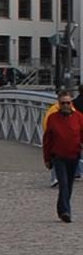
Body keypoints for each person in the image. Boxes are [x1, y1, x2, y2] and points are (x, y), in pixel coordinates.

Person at [42, 88, 83, 223]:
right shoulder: (53, 118)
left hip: (74, 155)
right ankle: (66, 211)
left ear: (71, 103)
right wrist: (47, 159)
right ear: (58, 104)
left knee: (69, 185)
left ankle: (61, 209)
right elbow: (47, 140)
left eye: (68, 103)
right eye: (63, 103)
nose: (66, 105)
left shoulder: (79, 117)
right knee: (64, 184)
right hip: (58, 156)